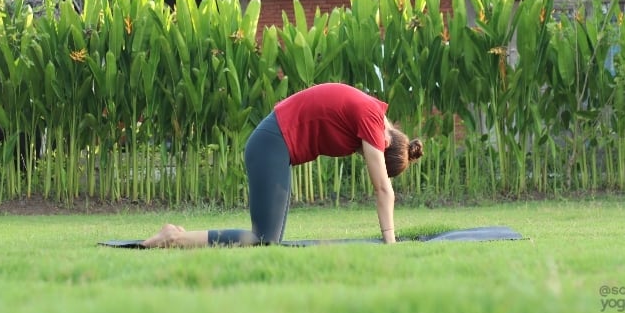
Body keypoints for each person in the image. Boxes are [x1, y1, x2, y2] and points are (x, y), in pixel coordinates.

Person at [141, 83, 423, 248]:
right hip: (271, 145)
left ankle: (177, 236)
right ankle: (174, 237)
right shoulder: (372, 122)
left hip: (275, 147)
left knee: (269, 240)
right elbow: (383, 190)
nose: (365, 156)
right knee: (262, 239)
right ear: (384, 146)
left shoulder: (375, 113)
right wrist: (390, 241)